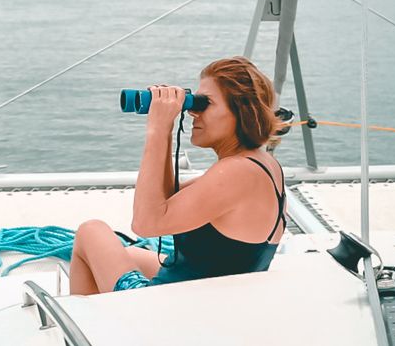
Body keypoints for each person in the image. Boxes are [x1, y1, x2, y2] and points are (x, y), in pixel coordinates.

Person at [69, 56, 286, 295]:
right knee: (126, 253)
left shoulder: (236, 173)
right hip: (216, 299)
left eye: (205, 103)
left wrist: (158, 129)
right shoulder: (262, 164)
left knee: (91, 232)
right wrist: (167, 127)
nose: (193, 113)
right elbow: (165, 198)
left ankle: (88, 327)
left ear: (241, 111)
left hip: (175, 310)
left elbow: (146, 223)